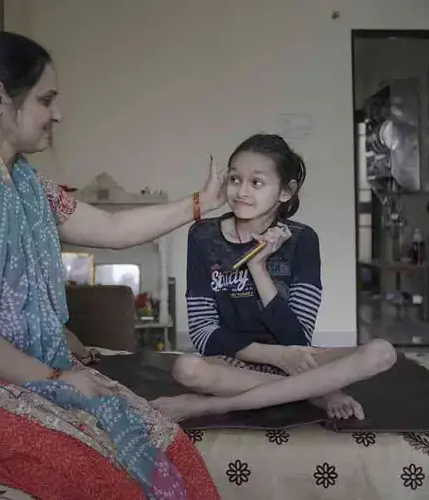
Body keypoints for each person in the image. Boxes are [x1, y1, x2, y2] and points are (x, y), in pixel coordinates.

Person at [0, 31, 223, 500]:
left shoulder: (27, 184)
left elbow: (111, 230)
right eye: (46, 99)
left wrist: (200, 203)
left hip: (10, 362)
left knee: (168, 446)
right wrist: (52, 378)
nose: (58, 114)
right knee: (92, 472)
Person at [150, 134, 397, 422]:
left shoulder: (302, 239)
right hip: (235, 362)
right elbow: (204, 332)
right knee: (187, 368)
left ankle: (209, 405)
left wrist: (258, 267)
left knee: (382, 353)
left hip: (297, 357)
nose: (241, 191)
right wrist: (276, 357)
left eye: (256, 182)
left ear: (285, 191)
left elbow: (297, 337)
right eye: (234, 179)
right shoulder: (203, 235)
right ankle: (317, 390)